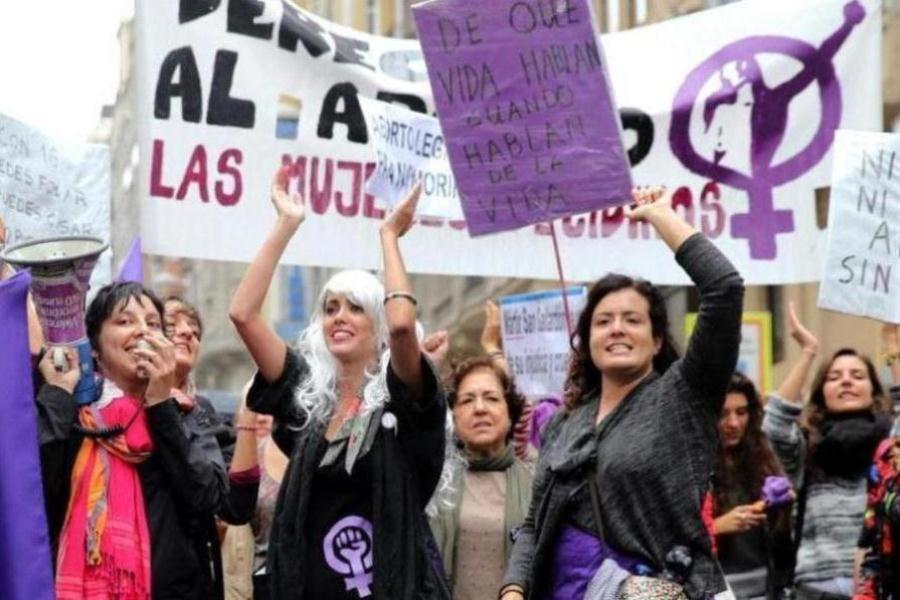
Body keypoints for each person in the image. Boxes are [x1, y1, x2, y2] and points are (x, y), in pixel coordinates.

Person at [500, 186, 745, 600]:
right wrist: (512, 590)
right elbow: (533, 526)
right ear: (587, 341)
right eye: (603, 321)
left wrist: (661, 216)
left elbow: (725, 289)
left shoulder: (683, 397)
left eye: (632, 320)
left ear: (655, 341)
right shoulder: (563, 425)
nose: (616, 329)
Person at [228, 168, 448, 599]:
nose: (339, 317)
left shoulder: (403, 410)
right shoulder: (309, 409)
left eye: (355, 307)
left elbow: (404, 328)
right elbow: (243, 314)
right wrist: (286, 224)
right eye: (330, 308)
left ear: (377, 326)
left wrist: (389, 237)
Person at [36, 282, 238, 598]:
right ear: (96, 347)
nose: (142, 331)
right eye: (125, 321)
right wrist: (57, 395)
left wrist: (160, 406)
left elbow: (209, 499)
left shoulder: (187, 411)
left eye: (153, 324)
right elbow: (37, 494)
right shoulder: (75, 415)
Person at [762, 305, 893, 599]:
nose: (846, 380)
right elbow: (774, 424)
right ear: (822, 393)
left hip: (880, 583)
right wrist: (808, 351)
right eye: (834, 377)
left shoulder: (891, 445)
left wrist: (893, 346)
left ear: (874, 389)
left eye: (857, 375)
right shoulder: (807, 445)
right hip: (816, 586)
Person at [163, 296, 263, 596]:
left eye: (194, 328)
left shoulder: (202, 411)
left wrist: (247, 416)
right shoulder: (124, 407)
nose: (187, 332)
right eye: (170, 325)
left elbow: (236, 507)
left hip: (194, 578)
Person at [429, 356, 533, 600]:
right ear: (453, 415)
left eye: (491, 398)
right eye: (467, 400)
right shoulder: (435, 484)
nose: (479, 408)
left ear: (510, 414)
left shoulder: (537, 482)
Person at [712, 372, 793, 599]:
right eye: (723, 413)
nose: (733, 423)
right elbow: (673, 535)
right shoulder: (691, 464)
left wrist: (782, 503)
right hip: (715, 586)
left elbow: (781, 539)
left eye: (741, 412)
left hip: (764, 586)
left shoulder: (761, 457)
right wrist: (717, 526)